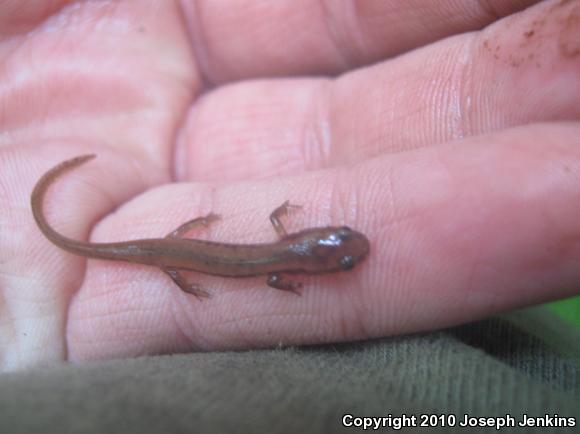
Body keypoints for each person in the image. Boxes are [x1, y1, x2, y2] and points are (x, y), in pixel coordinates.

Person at [0, 1, 578, 432]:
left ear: (307, 241)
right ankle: (151, 252)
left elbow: (278, 265)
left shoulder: (281, 254)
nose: (346, 246)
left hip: (177, 248)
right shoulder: (276, 265)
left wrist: (222, 258)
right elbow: (276, 276)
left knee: (166, 252)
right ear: (306, 241)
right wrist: (196, 272)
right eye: (342, 247)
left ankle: (165, 253)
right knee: (158, 255)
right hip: (170, 252)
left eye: (340, 248)